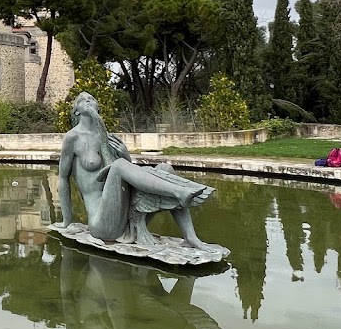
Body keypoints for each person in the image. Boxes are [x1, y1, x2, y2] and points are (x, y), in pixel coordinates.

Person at [54, 92, 218, 251]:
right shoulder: (72, 138)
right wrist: (66, 221)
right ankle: (179, 192)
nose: (89, 100)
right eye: (83, 100)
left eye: (92, 98)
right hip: (102, 223)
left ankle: (190, 237)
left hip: (124, 216)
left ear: (98, 108)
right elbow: (63, 178)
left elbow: (128, 178)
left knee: (164, 168)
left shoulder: (107, 137)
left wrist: (125, 154)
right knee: (118, 166)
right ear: (76, 110)